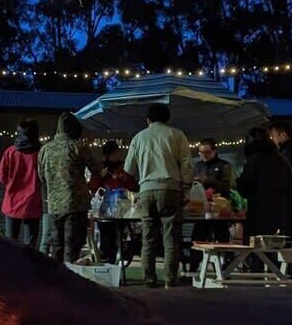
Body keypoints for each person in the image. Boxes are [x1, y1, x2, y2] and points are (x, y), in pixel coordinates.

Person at [124, 104, 194, 288]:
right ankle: (170, 280)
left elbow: (128, 169)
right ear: (167, 118)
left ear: (148, 119)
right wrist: (186, 189)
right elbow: (186, 164)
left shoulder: (138, 137)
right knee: (171, 237)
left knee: (148, 237)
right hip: (171, 189)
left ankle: (149, 279)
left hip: (146, 189)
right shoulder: (177, 135)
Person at [37, 112, 99, 264]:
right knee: (72, 246)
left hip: (54, 205)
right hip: (76, 204)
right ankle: (70, 280)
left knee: (56, 246)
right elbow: (96, 169)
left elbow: (41, 177)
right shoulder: (78, 147)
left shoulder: (45, 150)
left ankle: (57, 281)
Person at [236, 128, 292, 241]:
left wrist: (238, 182)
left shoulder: (254, 160)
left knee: (257, 249)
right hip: (282, 213)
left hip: (259, 213)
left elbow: (245, 185)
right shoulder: (281, 159)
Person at [0, 118, 43, 248]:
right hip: (32, 203)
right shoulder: (40, 153)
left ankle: (12, 267)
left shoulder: (11, 152)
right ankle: (29, 267)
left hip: (12, 202)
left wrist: (11, 184)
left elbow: (1, 175)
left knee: (11, 245)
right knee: (31, 246)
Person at [89, 141, 137, 263]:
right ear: (107, 155)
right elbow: (93, 187)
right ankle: (107, 262)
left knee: (118, 238)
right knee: (106, 238)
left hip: (121, 210)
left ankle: (114, 263)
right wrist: (101, 175)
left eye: (117, 153)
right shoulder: (101, 169)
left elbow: (133, 186)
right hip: (105, 210)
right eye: (114, 154)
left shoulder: (123, 169)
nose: (117, 155)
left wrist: (123, 179)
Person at [191, 139, 234, 248]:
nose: (203, 155)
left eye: (207, 152)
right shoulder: (198, 166)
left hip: (219, 207)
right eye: (201, 152)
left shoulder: (224, 165)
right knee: (198, 235)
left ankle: (226, 261)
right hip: (201, 206)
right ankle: (194, 263)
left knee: (221, 235)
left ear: (214, 151)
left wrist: (207, 180)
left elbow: (227, 185)